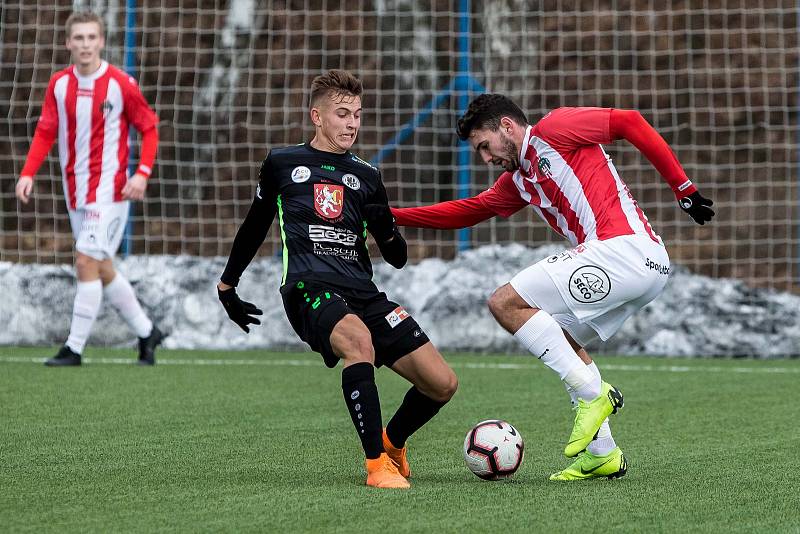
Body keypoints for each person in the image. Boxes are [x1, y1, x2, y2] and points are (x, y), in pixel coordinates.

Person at [385, 94, 715, 480]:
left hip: (625, 250)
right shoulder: (519, 180)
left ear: (506, 126)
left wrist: (683, 187)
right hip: (639, 267)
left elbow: (630, 122)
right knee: (558, 335)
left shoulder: (554, 128)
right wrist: (391, 217)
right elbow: (470, 210)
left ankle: (595, 395)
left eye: (484, 147)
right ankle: (602, 453)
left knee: (504, 303)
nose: (486, 159)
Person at [216, 69, 458, 489]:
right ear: (317, 116)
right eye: (342, 114)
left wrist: (386, 228)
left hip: (363, 292)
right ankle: (375, 465)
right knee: (358, 341)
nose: (351, 124)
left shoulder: (368, 176)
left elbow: (398, 258)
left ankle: (393, 441)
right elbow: (254, 226)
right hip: (309, 288)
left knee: (442, 384)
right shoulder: (281, 162)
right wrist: (227, 285)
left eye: (358, 115)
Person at [15, 11, 164, 366]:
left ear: (101, 41)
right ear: (68, 43)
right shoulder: (59, 84)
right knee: (101, 266)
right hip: (75, 191)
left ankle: (74, 348)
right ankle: (147, 332)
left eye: (91, 37)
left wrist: (141, 173)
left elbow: (150, 128)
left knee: (84, 260)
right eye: (78, 38)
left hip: (111, 191)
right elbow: (46, 130)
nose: (85, 44)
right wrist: (28, 172)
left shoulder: (120, 83)